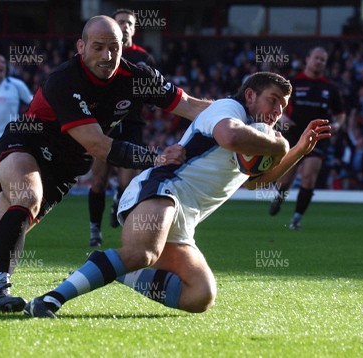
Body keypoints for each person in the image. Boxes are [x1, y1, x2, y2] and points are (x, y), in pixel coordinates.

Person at [0, 15, 210, 314]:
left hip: (61, 172)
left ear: (124, 46)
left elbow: (193, 107)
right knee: (27, 195)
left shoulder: (138, 75)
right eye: (98, 47)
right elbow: (97, 145)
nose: (107, 56)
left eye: (115, 48)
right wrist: (156, 156)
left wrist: (238, 114)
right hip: (23, 145)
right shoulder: (64, 80)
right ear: (81, 46)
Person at [23, 72, 331, 318]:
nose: (278, 110)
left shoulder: (262, 137)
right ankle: (50, 299)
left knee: (200, 295)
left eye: (283, 106)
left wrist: (298, 151)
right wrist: (280, 147)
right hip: (163, 188)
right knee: (143, 253)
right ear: (250, 95)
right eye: (273, 100)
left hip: (186, 219)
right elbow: (229, 136)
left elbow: (253, 182)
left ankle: (109, 268)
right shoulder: (227, 109)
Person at [87, 8, 158, 247]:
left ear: (134, 29)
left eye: (129, 23)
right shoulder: (101, 55)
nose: (125, 26)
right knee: (99, 181)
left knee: (128, 182)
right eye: (120, 22)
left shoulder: (144, 59)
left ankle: (120, 201)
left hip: (131, 124)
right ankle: (95, 229)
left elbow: (153, 91)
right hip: (103, 125)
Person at [268, 47, 345, 230]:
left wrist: (338, 125)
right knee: (285, 180)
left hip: (317, 137)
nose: (319, 62)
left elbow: (340, 113)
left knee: (309, 176)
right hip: (293, 137)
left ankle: (296, 218)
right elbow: (275, 102)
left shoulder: (330, 88)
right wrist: (282, 116)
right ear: (308, 59)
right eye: (317, 58)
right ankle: (279, 198)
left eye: (323, 60)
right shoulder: (292, 83)